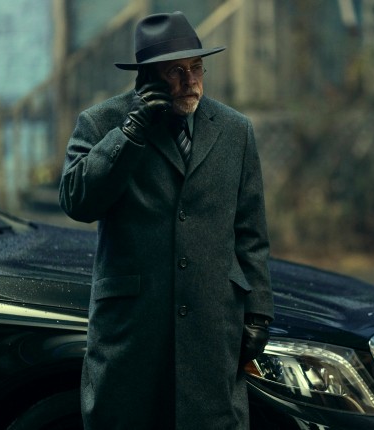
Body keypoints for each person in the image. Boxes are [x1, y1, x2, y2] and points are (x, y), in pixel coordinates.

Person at [58, 11, 274, 430]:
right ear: (148, 78)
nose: (191, 80)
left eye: (197, 67)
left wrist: (259, 313)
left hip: (212, 328)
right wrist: (131, 131)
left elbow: (251, 233)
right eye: (176, 71)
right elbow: (77, 202)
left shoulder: (235, 130)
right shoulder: (101, 122)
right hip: (132, 334)